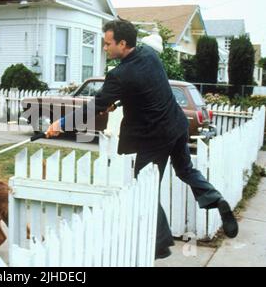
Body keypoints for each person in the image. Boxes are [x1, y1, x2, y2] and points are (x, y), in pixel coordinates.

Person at [45, 19, 238, 259]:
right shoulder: (149, 56)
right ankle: (215, 199)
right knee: (186, 170)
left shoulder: (119, 74)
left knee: (145, 187)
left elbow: (94, 107)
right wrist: (117, 102)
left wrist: (60, 124)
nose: (105, 49)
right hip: (177, 125)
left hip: (155, 136)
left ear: (122, 43)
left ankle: (160, 243)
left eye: (107, 44)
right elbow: (144, 89)